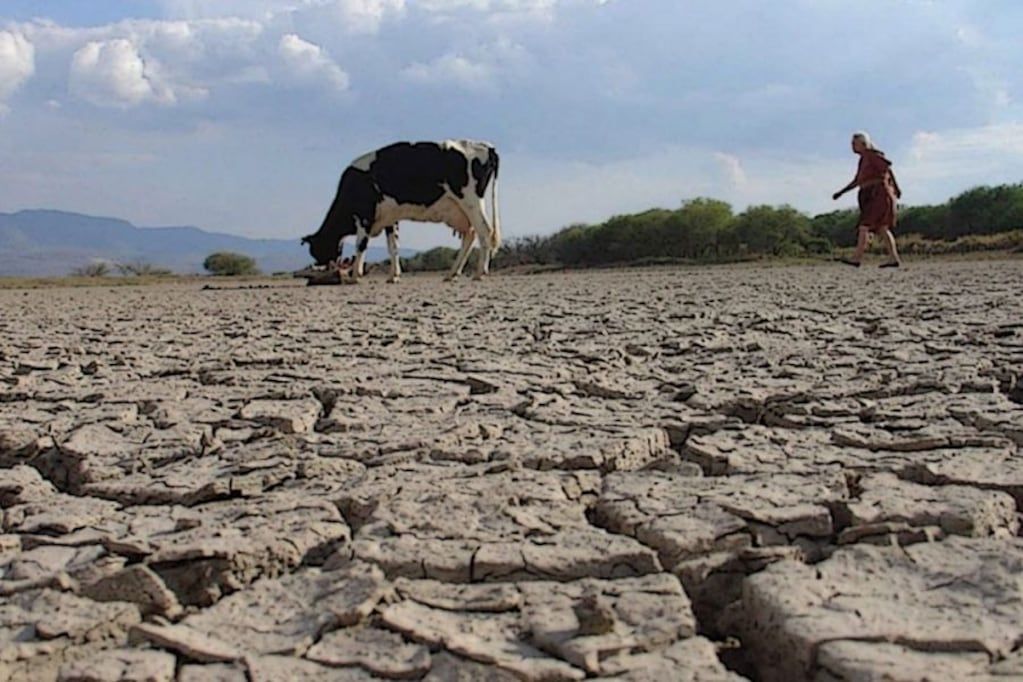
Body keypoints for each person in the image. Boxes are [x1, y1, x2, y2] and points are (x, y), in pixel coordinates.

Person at [833, 131, 902, 267]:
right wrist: (841, 192)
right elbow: (857, 181)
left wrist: (896, 188)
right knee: (882, 228)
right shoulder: (864, 159)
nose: (852, 146)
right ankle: (893, 258)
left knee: (864, 226)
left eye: (854, 143)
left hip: (878, 194)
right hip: (869, 194)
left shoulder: (873, 155)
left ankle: (856, 258)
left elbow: (887, 169)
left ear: (863, 143)